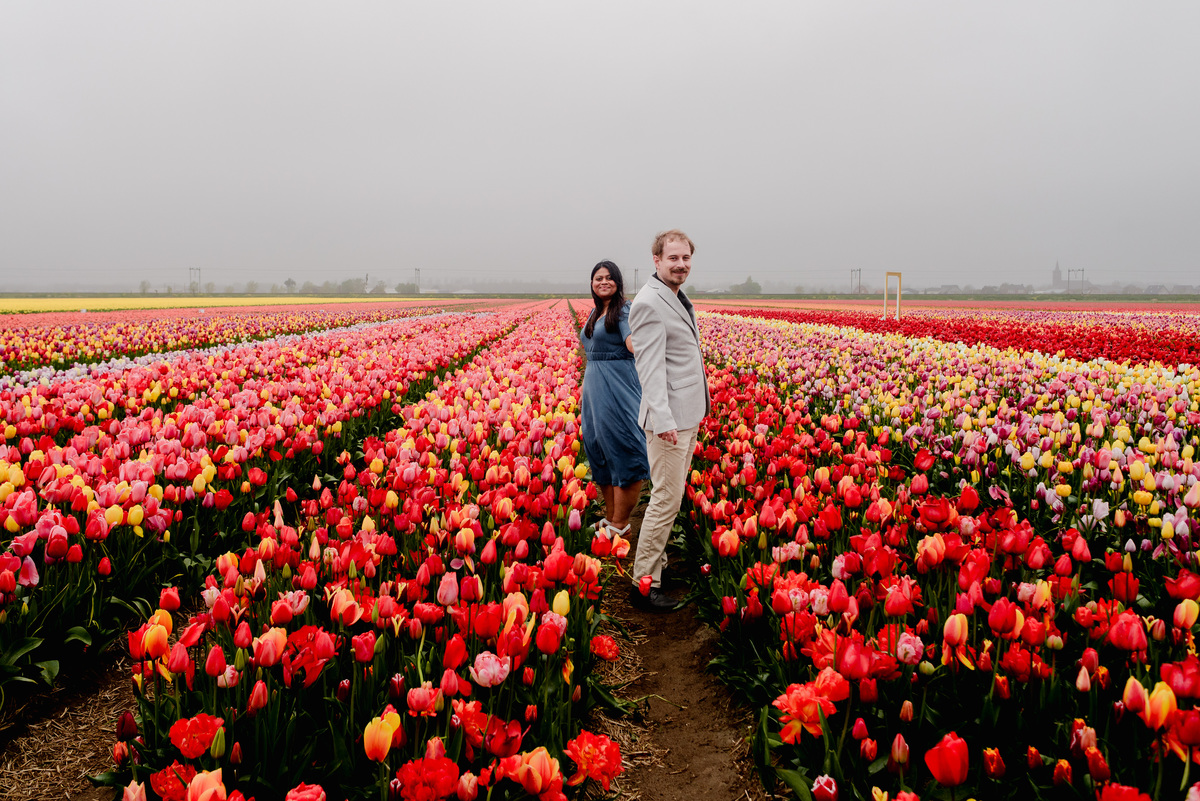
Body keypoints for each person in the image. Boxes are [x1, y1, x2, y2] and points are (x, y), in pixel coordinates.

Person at [627, 230, 710, 612]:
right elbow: (649, 370)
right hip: (668, 421)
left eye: (685, 258)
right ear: (656, 261)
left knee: (670, 497)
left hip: (685, 415)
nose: (681, 264)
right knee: (665, 500)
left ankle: (656, 566)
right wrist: (663, 420)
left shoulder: (674, 296)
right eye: (672, 258)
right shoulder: (649, 303)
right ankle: (644, 583)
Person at [579, 261, 650, 544]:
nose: (604, 282)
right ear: (592, 283)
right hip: (595, 390)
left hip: (618, 388)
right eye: (598, 278)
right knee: (600, 451)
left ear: (619, 283)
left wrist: (644, 344)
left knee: (624, 449)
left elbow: (633, 341)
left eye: (610, 278)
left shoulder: (623, 311)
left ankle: (621, 523)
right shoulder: (597, 312)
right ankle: (610, 517)